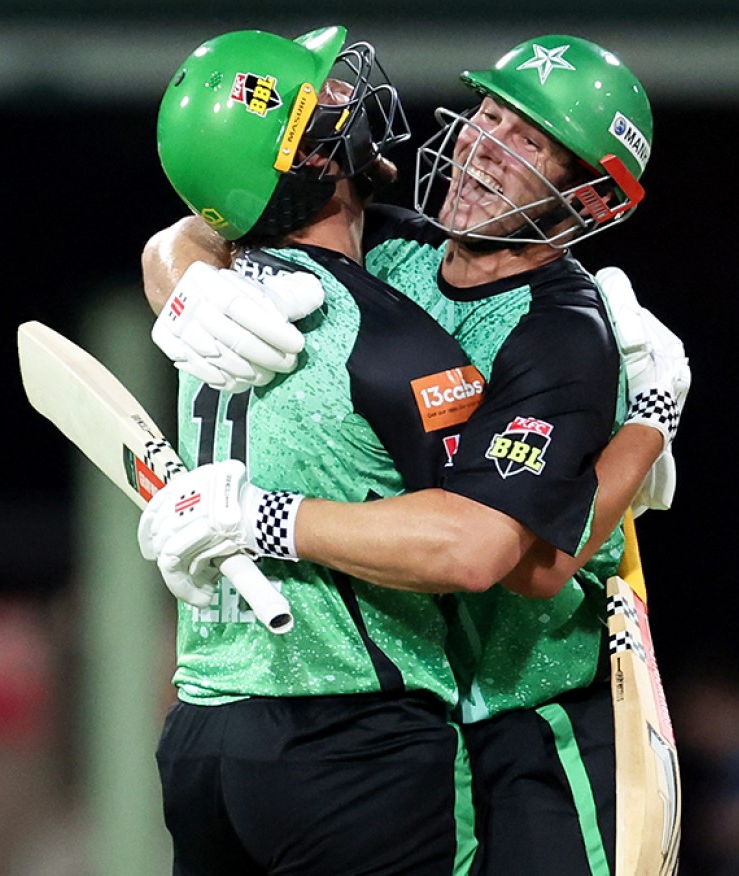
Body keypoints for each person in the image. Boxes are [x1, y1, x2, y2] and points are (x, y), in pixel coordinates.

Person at [139, 35, 688, 876]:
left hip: (531, 714)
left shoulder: (561, 337)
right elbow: (230, 209)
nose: (483, 147)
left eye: (528, 142)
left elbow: (521, 566)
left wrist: (648, 423)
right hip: (421, 711)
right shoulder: (395, 247)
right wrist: (183, 273)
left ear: (585, 197)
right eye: (490, 115)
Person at [145, 26, 482, 875]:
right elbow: (464, 544)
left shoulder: (204, 297)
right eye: (325, 101)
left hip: (203, 735)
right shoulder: (381, 333)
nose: (352, 95)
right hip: (347, 736)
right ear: (311, 162)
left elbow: (190, 235)